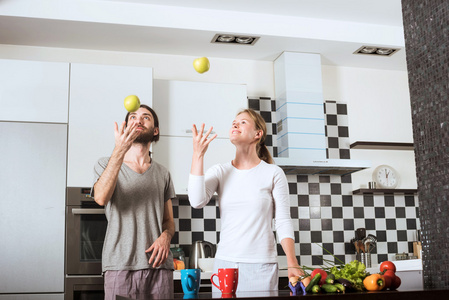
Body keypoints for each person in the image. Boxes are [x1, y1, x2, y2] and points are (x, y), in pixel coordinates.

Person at [188, 108, 304, 292]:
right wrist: (198, 154)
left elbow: (282, 220)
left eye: (243, 122)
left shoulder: (273, 173)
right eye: (234, 121)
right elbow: (196, 201)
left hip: (262, 267)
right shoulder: (220, 171)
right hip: (225, 266)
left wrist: (292, 261)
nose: (235, 123)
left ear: (258, 134)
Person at [92, 104, 176, 300]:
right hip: (121, 266)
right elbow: (101, 197)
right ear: (125, 126)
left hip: (159, 266)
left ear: (155, 131)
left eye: (146, 117)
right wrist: (120, 149)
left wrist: (166, 237)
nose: (138, 120)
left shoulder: (163, 173)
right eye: (133, 117)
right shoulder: (105, 164)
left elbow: (169, 222)